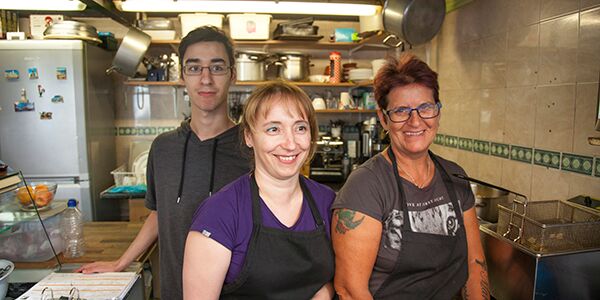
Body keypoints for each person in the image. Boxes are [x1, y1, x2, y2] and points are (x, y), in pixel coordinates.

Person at [76, 26, 251, 300]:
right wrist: (122, 262)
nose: (205, 79)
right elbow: (160, 214)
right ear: (182, 76)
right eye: (194, 68)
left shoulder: (252, 149)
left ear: (232, 75)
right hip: (173, 292)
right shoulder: (163, 147)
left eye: (217, 68)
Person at [331, 54, 490, 300]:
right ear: (384, 118)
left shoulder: (455, 177)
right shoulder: (366, 186)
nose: (415, 121)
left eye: (426, 108)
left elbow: (474, 264)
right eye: (401, 111)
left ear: (437, 112)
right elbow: (350, 290)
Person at [183, 81, 336, 299]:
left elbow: (341, 277)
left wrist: (324, 293)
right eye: (274, 129)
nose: (290, 144)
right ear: (249, 137)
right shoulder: (220, 213)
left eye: (300, 128)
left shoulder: (327, 202)